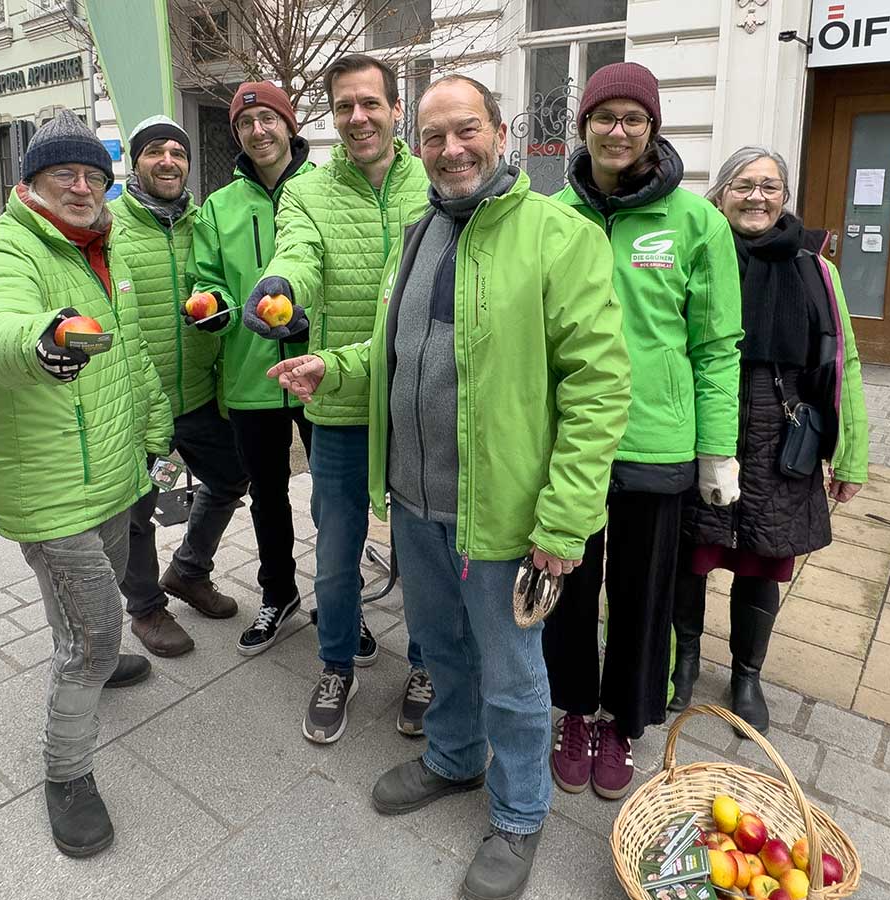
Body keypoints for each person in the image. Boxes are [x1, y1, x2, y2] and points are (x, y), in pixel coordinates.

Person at [269, 74, 631, 900]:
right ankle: (454, 759)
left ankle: (520, 813)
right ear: (417, 146)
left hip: (505, 515)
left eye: (465, 130)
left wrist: (566, 522)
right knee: (442, 651)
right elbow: (400, 350)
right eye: (434, 138)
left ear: (501, 135)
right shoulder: (418, 231)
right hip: (417, 502)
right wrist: (335, 365)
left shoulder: (559, 236)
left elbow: (600, 387)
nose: (450, 149)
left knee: (512, 672)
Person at [0, 109, 161, 858]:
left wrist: (154, 427)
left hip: (106, 473)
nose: (81, 187)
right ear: (31, 184)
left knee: (88, 608)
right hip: (49, 488)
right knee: (93, 636)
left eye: (92, 175)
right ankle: (66, 774)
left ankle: (94, 663)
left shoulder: (102, 248)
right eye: (63, 175)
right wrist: (41, 341)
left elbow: (130, 355)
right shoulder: (6, 251)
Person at [541, 61, 743, 800]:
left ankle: (621, 721)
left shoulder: (697, 223)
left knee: (642, 594)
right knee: (565, 582)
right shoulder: (553, 214)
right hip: (566, 440)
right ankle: (571, 710)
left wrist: (716, 448)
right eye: (605, 116)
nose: (618, 130)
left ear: (653, 129)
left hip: (656, 442)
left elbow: (718, 346)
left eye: (633, 118)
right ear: (584, 126)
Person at [241, 54, 433, 744]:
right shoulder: (308, 193)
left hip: (422, 400)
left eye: (371, 104)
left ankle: (427, 664)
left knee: (425, 548)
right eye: (345, 106)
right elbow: (298, 256)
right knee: (339, 544)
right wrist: (278, 288)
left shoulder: (433, 181)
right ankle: (336, 664)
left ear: (395, 108)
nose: (359, 118)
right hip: (339, 392)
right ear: (332, 116)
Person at [669, 146, 871, 732]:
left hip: (781, 437)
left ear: (785, 197)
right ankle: (682, 661)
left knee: (763, 559)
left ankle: (746, 674)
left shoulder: (815, 269)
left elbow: (844, 364)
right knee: (691, 553)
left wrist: (850, 453)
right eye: (743, 184)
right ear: (721, 193)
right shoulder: (699, 251)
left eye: (770, 186)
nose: (757, 196)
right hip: (705, 428)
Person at [107, 114, 250, 658]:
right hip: (135, 400)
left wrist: (220, 314)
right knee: (139, 508)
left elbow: (222, 286)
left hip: (197, 392)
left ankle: (189, 570)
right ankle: (145, 607)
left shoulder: (203, 222)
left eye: (178, 152)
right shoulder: (110, 223)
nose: (168, 161)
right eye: (155, 153)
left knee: (229, 477)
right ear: (134, 162)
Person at [186, 81, 318, 666]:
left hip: (324, 372)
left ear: (289, 125)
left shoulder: (326, 190)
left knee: (334, 502)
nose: (258, 131)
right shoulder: (220, 207)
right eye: (246, 123)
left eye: (269, 119)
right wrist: (208, 306)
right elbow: (207, 278)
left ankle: (342, 606)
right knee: (267, 496)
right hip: (250, 376)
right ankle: (278, 592)